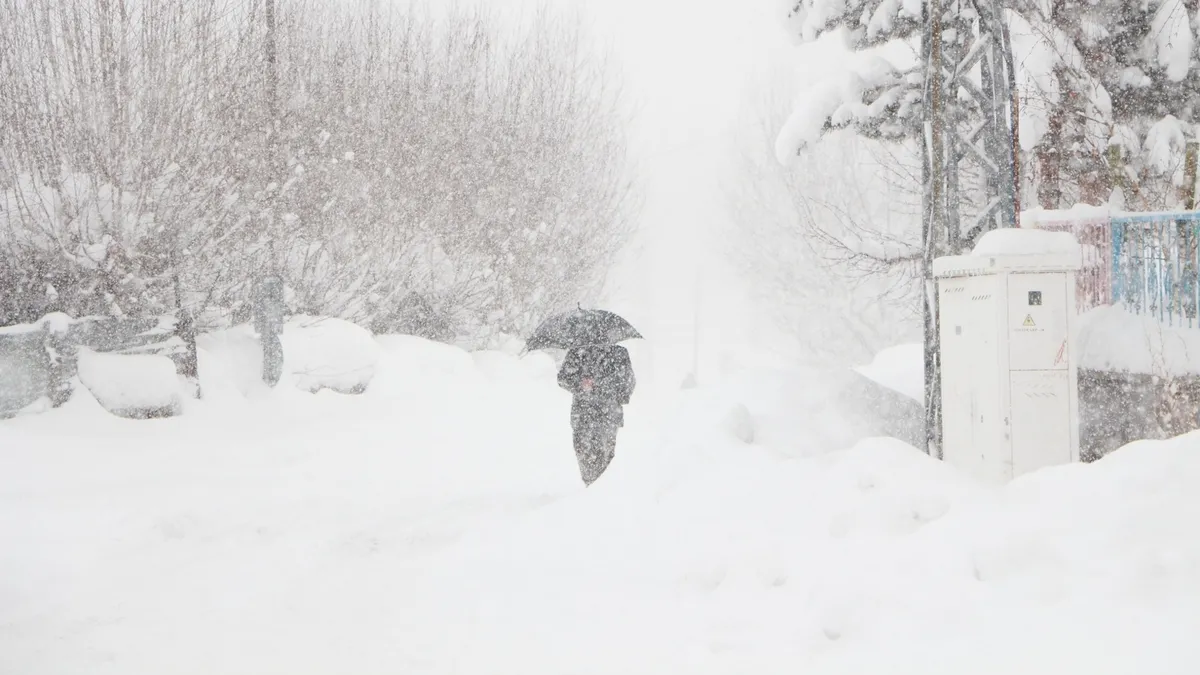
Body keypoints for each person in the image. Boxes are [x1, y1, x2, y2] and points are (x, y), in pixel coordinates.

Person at [557, 344, 636, 486]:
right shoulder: (577, 352)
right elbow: (563, 378)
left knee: (605, 454)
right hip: (583, 414)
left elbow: (627, 384)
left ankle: (600, 489)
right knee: (584, 453)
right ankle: (591, 487)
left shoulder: (619, 353)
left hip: (608, 415)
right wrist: (580, 384)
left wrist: (601, 385)